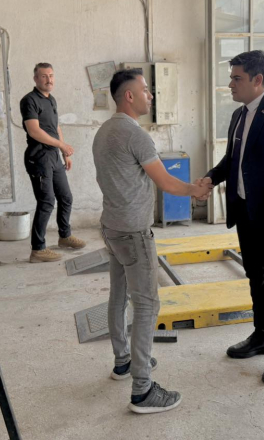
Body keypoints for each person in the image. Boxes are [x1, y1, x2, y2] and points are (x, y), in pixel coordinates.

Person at [93, 68, 211, 414]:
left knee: (119, 296)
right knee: (147, 305)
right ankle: (142, 390)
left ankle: (123, 361)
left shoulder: (103, 131)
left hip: (111, 226)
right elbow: (166, 182)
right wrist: (194, 190)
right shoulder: (135, 135)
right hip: (133, 232)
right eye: (145, 90)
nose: (151, 95)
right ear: (129, 96)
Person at [197, 50, 264, 385]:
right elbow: (232, 160)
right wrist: (210, 178)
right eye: (231, 77)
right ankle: (263, 334)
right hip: (245, 211)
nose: (231, 84)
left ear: (258, 80)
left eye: (237, 78)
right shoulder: (238, 115)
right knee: (255, 277)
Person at [20, 62, 86, 263]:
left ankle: (64, 237)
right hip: (39, 157)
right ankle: (38, 249)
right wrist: (61, 145)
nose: (49, 80)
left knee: (66, 197)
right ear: (35, 79)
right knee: (47, 201)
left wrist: (64, 152)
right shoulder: (29, 100)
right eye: (44, 76)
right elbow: (34, 131)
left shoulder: (51, 100)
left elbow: (55, 127)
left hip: (54, 156)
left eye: (51, 75)